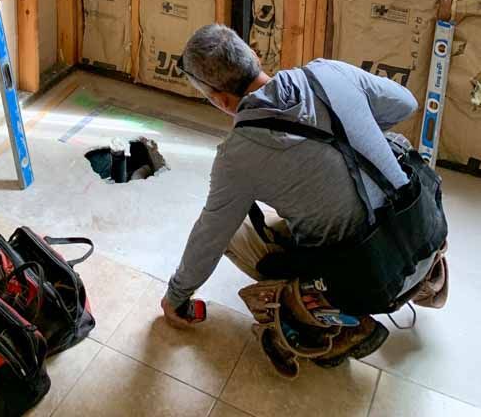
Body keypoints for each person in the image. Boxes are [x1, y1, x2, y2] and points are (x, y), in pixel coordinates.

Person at [161, 24, 448, 373]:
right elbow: (406, 104)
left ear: (218, 99)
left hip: (372, 283)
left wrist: (176, 296)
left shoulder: (238, 155)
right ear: (254, 55)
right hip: (423, 231)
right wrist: (358, 133)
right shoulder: (328, 71)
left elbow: (209, 236)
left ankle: (330, 314)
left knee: (228, 232)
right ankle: (425, 279)